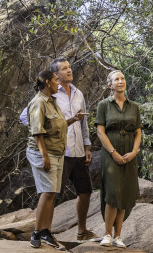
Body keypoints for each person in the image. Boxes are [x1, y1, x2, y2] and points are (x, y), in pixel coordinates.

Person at [20, 57, 97, 241]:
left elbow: (82, 123)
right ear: (55, 75)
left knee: (84, 191)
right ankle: (45, 232)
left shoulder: (78, 93)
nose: (69, 70)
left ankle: (81, 231)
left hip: (76, 150)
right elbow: (26, 118)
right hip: (59, 153)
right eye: (64, 68)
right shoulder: (48, 96)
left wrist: (87, 146)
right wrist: (44, 135)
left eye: (69, 67)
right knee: (52, 193)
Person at [94, 70, 142, 248]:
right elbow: (100, 131)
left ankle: (118, 236)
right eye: (116, 79)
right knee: (113, 192)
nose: (120, 81)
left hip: (130, 153)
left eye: (122, 78)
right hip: (110, 152)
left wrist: (134, 151)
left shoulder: (134, 106)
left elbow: (138, 132)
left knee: (125, 193)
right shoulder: (104, 105)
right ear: (110, 85)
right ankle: (107, 234)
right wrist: (113, 152)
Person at [25, 69, 68, 250]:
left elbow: (56, 126)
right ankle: (36, 232)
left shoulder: (53, 102)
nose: (59, 83)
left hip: (57, 152)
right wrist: (44, 156)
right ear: (48, 82)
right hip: (43, 153)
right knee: (47, 191)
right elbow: (37, 132)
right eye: (56, 80)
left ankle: (46, 232)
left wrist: (73, 119)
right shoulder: (38, 103)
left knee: (51, 193)